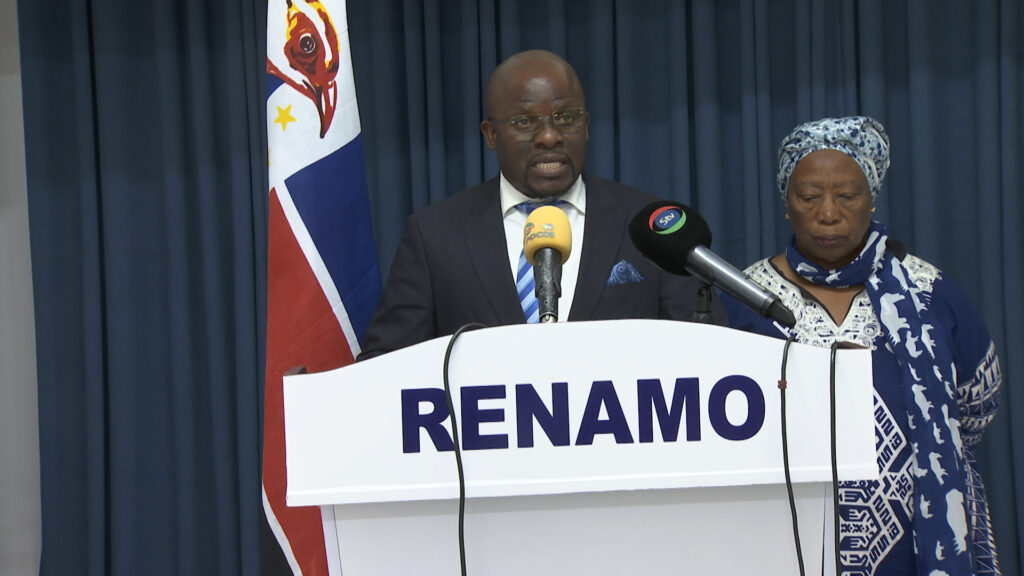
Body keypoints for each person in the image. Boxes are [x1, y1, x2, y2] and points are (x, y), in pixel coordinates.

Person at [723, 116, 1002, 575]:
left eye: (847, 196)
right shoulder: (745, 298)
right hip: (786, 542)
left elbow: (976, 405)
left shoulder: (929, 291)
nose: (828, 213)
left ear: (871, 199)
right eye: (808, 197)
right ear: (787, 204)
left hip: (919, 549)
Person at [358, 49, 721, 359]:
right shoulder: (435, 236)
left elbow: (714, 354)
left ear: (586, 125)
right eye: (524, 121)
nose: (549, 136)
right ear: (491, 135)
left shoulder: (650, 227)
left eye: (566, 118)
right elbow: (383, 367)